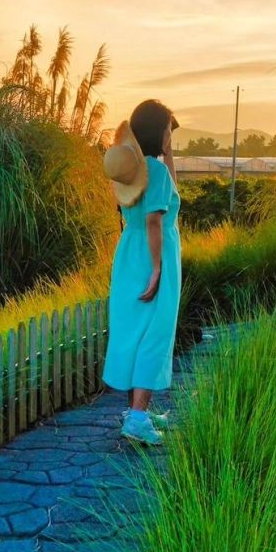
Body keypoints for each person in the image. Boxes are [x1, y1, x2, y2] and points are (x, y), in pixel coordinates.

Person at [101, 99, 181, 444]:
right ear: (157, 132)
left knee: (132, 331)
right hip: (153, 255)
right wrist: (158, 268)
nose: (170, 135)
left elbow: (170, 192)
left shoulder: (137, 170)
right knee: (155, 333)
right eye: (167, 129)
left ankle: (137, 410)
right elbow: (154, 220)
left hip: (129, 254)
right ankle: (136, 418)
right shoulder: (156, 173)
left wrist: (169, 153)